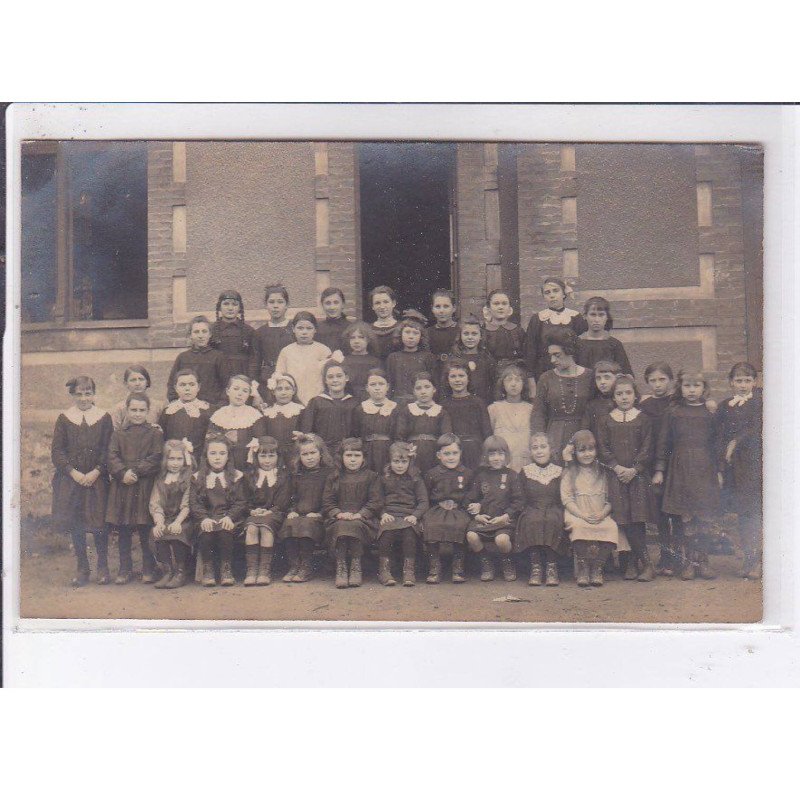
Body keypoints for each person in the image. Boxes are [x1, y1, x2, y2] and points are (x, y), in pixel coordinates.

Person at [653, 369, 721, 581]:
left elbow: (717, 443)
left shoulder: (711, 412)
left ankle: (703, 561)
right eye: (687, 386)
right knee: (686, 518)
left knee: (704, 516)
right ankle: (688, 562)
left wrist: (719, 470)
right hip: (680, 467)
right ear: (680, 388)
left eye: (696, 386)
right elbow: (664, 443)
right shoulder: (673, 412)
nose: (692, 390)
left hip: (705, 467)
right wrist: (659, 470)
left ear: (704, 388)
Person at [51, 375, 114, 586]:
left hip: (96, 479)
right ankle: (82, 567)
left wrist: (97, 471)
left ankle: (103, 566)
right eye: (79, 394)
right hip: (72, 480)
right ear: (72, 395)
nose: (84, 398)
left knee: (99, 525)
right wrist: (73, 472)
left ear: (94, 394)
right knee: (76, 524)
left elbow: (108, 449)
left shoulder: (104, 418)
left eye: (88, 394)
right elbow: (57, 451)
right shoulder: (64, 418)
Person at [596, 374, 658, 581]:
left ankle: (645, 564)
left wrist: (635, 469)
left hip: (637, 477)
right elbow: (603, 448)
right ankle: (630, 562)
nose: (624, 397)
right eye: (619, 394)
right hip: (616, 476)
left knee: (636, 520)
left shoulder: (643, 419)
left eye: (628, 393)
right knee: (622, 519)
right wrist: (616, 467)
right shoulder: (606, 420)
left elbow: (647, 447)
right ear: (613, 397)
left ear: (635, 395)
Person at [105, 392, 163, 584]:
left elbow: (156, 457)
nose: (137, 414)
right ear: (127, 410)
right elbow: (111, 456)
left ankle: (148, 567)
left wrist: (136, 471)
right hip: (123, 487)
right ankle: (124, 568)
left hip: (144, 485)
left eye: (142, 410)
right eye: (133, 410)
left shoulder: (155, 433)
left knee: (144, 527)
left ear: (148, 411)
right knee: (124, 529)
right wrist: (122, 473)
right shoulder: (118, 434)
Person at [715, 362, 763, 579]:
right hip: (734, 467)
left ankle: (758, 560)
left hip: (754, 464)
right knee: (741, 513)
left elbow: (756, 428)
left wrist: (735, 442)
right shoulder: (726, 405)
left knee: (754, 512)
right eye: (738, 381)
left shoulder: (760, 403)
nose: (743, 385)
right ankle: (748, 557)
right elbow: (718, 434)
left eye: (747, 380)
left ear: (754, 382)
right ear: (731, 382)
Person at [561, 430, 621, 588]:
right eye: (582, 450)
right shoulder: (570, 472)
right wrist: (581, 514)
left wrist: (603, 513)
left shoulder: (603, 472)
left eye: (590, 449)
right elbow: (566, 499)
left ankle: (597, 568)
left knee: (611, 527)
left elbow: (610, 499)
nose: (587, 454)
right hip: (578, 513)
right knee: (579, 527)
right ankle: (583, 567)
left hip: (599, 512)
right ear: (575, 452)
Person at [639, 361, 682, 575]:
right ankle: (666, 558)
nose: (657, 384)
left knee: (679, 512)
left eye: (662, 379)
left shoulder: (678, 402)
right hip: (654, 464)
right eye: (653, 380)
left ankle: (681, 557)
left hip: (678, 463)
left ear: (671, 380)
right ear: (647, 383)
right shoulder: (644, 407)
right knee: (661, 513)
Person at [322, 438, 383, 589]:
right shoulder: (334, 477)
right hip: (338, 518)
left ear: (364, 458)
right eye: (348, 455)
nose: (353, 460)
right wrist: (338, 513)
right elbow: (327, 502)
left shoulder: (372, 476)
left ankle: (356, 566)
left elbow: (376, 501)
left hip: (363, 519)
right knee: (342, 527)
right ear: (341, 457)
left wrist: (361, 514)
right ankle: (341, 567)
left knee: (354, 526)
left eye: (357, 455)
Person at [190, 434, 248, 587]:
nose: (217, 458)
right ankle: (208, 568)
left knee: (224, 530)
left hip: (229, 518)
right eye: (213, 453)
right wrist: (203, 518)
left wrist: (230, 517)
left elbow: (241, 502)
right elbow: (195, 503)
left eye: (222, 454)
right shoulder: (198, 477)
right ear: (206, 456)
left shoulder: (236, 476)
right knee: (207, 532)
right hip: (207, 517)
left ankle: (226, 568)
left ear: (228, 456)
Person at [531, 329, 594, 465]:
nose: (553, 360)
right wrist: (539, 442)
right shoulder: (546, 378)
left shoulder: (589, 376)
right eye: (551, 355)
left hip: (583, 435)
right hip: (554, 436)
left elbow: (593, 410)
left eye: (557, 355)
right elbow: (538, 413)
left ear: (569, 351)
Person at [465, 435, 524, 582]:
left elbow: (519, 501)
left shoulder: (512, 475)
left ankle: (507, 562)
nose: (496, 458)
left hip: (504, 520)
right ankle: (486, 563)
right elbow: (469, 499)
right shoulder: (481, 475)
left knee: (502, 540)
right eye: (492, 454)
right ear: (486, 456)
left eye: (500, 454)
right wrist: (476, 513)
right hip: (485, 520)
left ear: (506, 455)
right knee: (471, 536)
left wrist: (506, 515)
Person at [279, 433, 334, 583]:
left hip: (318, 516)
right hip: (299, 514)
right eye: (305, 454)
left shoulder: (329, 474)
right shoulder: (296, 475)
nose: (309, 457)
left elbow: (330, 499)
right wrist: (292, 511)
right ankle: (294, 565)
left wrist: (320, 513)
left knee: (306, 526)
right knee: (289, 524)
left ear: (321, 453)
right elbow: (290, 497)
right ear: (299, 456)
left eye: (313, 453)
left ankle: (306, 566)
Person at [420, 433, 473, 584]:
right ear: (439, 455)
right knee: (431, 524)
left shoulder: (467, 473)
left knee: (460, 525)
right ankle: (434, 567)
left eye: (455, 453)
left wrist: (462, 504)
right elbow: (427, 495)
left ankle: (458, 567)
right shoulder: (432, 474)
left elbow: (471, 494)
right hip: (437, 509)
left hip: (458, 509)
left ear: (461, 453)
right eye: (447, 453)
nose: (451, 457)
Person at [377, 441, 429, 587]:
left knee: (409, 533)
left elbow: (423, 501)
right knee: (386, 533)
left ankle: (409, 570)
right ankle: (384, 570)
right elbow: (377, 500)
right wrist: (383, 513)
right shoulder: (384, 478)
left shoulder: (416, 478)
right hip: (390, 515)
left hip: (408, 515)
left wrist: (415, 516)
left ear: (410, 461)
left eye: (404, 461)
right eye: (396, 461)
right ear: (390, 461)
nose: (400, 465)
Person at [516, 433, 564, 586]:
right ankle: (535, 566)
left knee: (552, 520)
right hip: (532, 507)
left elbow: (562, 497)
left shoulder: (559, 471)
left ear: (551, 449)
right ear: (530, 451)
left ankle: (551, 566)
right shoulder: (525, 471)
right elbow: (520, 496)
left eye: (543, 447)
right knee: (533, 520)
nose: (539, 451)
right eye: (535, 448)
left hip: (553, 507)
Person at [242, 436, 291, 586]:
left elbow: (282, 501)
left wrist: (270, 511)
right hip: (254, 514)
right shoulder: (250, 476)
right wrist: (251, 510)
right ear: (256, 457)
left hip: (274, 514)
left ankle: (264, 569)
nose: (267, 460)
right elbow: (245, 499)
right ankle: (252, 569)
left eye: (271, 456)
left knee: (265, 527)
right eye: (263, 456)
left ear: (278, 457)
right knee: (251, 527)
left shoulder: (282, 476)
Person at [149, 439, 194, 590]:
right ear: (165, 460)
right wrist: (159, 522)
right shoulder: (160, 479)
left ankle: (181, 572)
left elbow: (187, 505)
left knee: (177, 533)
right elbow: (156, 503)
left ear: (185, 459)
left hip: (184, 518)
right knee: (159, 532)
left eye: (179, 459)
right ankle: (167, 571)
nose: (175, 463)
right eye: (171, 459)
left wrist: (178, 522)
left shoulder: (188, 478)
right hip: (166, 518)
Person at [523, 277, 587, 381]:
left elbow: (581, 347)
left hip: (572, 371)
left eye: (556, 291)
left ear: (564, 294)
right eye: (547, 293)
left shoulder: (575, 317)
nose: (552, 295)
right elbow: (530, 350)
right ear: (544, 296)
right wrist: (530, 378)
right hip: (545, 371)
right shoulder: (538, 319)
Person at [395, 371, 453, 474]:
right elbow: (400, 436)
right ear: (413, 391)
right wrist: (407, 450)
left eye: (427, 387)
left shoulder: (441, 412)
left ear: (434, 389)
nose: (423, 391)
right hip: (413, 453)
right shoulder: (407, 411)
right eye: (418, 388)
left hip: (434, 453)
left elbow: (446, 437)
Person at [441, 357, 492, 470]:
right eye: (453, 376)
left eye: (461, 376)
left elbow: (487, 432)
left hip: (475, 451)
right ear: (447, 380)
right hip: (454, 452)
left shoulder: (478, 402)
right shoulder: (444, 404)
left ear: (468, 378)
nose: (457, 380)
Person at [206, 375, 266, 472]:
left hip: (246, 462)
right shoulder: (219, 414)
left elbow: (260, 440)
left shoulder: (254, 415)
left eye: (245, 391)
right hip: (222, 462)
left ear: (249, 394)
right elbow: (211, 438)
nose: (240, 394)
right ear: (228, 391)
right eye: (236, 389)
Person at [299, 358, 359, 456]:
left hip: (347, 453)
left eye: (339, 376)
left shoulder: (354, 403)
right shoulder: (316, 402)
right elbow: (308, 430)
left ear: (346, 378)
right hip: (323, 453)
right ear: (325, 380)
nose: (335, 380)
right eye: (330, 377)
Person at [274, 310, 333, 405]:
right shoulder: (286, 351)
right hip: (293, 399)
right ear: (293, 329)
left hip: (317, 398)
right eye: (300, 328)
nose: (304, 332)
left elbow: (329, 377)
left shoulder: (323, 350)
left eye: (309, 328)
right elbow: (279, 376)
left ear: (315, 329)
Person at [167, 316, 226, 405]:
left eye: (204, 331)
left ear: (210, 334)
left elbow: (226, 384)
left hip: (211, 406)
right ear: (190, 335)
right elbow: (172, 383)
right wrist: (175, 402)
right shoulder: (183, 357)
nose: (200, 336)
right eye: (196, 332)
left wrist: (220, 405)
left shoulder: (218, 357)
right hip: (186, 406)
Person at [252, 284, 295, 404]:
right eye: (271, 302)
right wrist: (255, 392)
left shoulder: (294, 329)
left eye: (280, 302)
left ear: (287, 305)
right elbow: (255, 363)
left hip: (291, 378)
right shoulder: (260, 333)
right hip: (267, 380)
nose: (276, 306)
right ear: (266, 305)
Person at [488, 363, 534, 472]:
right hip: (503, 460)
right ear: (502, 384)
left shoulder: (530, 409)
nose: (513, 384)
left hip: (524, 459)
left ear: (524, 384)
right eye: (509, 380)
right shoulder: (494, 408)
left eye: (518, 380)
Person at [352, 368, 398, 475]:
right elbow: (355, 433)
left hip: (388, 451)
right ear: (367, 388)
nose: (377, 388)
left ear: (387, 387)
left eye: (381, 384)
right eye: (373, 384)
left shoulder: (395, 408)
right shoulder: (360, 409)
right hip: (367, 451)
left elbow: (398, 434)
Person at [210, 289, 259, 387]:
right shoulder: (211, 330)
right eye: (226, 304)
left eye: (234, 304)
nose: (230, 308)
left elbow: (254, 359)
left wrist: (251, 380)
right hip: (218, 377)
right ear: (219, 306)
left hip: (242, 376)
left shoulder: (249, 331)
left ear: (240, 308)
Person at [385, 312, 438, 404]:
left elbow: (434, 384)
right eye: (407, 332)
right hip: (398, 402)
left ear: (421, 337)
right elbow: (390, 383)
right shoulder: (393, 358)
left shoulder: (428, 357)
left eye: (415, 333)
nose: (411, 337)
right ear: (400, 334)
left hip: (421, 402)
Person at [158, 369, 212, 453]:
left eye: (191, 385)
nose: (187, 388)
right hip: (174, 458)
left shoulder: (206, 410)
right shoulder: (169, 411)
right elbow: (162, 438)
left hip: (198, 457)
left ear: (198, 387)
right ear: (176, 388)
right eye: (182, 385)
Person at [576, 296, 633, 375]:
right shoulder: (577, 343)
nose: (596, 319)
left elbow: (626, 373)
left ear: (607, 317)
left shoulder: (615, 345)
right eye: (593, 314)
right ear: (585, 316)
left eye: (601, 315)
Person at [450, 313, 496, 405]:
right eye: (466, 333)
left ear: (481, 336)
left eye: (474, 334)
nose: (470, 337)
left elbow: (493, 386)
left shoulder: (487, 359)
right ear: (460, 335)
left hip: (483, 404)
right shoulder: (454, 359)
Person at [259, 372, 304, 464]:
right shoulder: (267, 412)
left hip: (294, 453)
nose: (283, 392)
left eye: (287, 388)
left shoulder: (300, 410)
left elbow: (306, 431)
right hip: (274, 454)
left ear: (294, 390)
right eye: (279, 389)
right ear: (273, 392)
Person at [483, 289, 526, 378]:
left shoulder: (517, 330)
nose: (500, 307)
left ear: (510, 308)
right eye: (496, 304)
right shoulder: (483, 331)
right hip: (490, 375)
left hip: (514, 375)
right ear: (489, 308)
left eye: (504, 303)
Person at [110, 365, 163, 429]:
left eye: (141, 379)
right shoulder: (119, 408)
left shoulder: (158, 407)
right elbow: (114, 432)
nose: (137, 383)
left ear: (147, 382)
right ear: (126, 384)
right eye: (133, 380)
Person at [341, 321, 381, 401]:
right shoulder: (344, 360)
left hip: (369, 399)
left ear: (369, 339)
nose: (356, 341)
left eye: (361, 337)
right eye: (352, 338)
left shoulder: (375, 362)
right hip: (348, 399)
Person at [582, 360, 622, 439]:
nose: (602, 382)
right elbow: (585, 430)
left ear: (617, 377)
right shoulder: (592, 405)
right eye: (598, 378)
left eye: (607, 377)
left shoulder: (623, 402)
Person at [428, 288, 460, 386]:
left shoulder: (460, 330)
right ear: (432, 308)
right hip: (435, 375)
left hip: (455, 375)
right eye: (438, 306)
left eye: (446, 306)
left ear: (454, 308)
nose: (441, 310)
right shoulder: (428, 332)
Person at [368, 285, 400, 364]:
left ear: (393, 303)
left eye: (386, 302)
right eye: (377, 303)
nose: (382, 306)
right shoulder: (367, 330)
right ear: (373, 306)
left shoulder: (402, 328)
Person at [316, 287, 352, 352]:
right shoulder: (317, 328)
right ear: (322, 305)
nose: (332, 307)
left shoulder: (351, 328)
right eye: (328, 303)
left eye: (336, 302)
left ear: (343, 304)